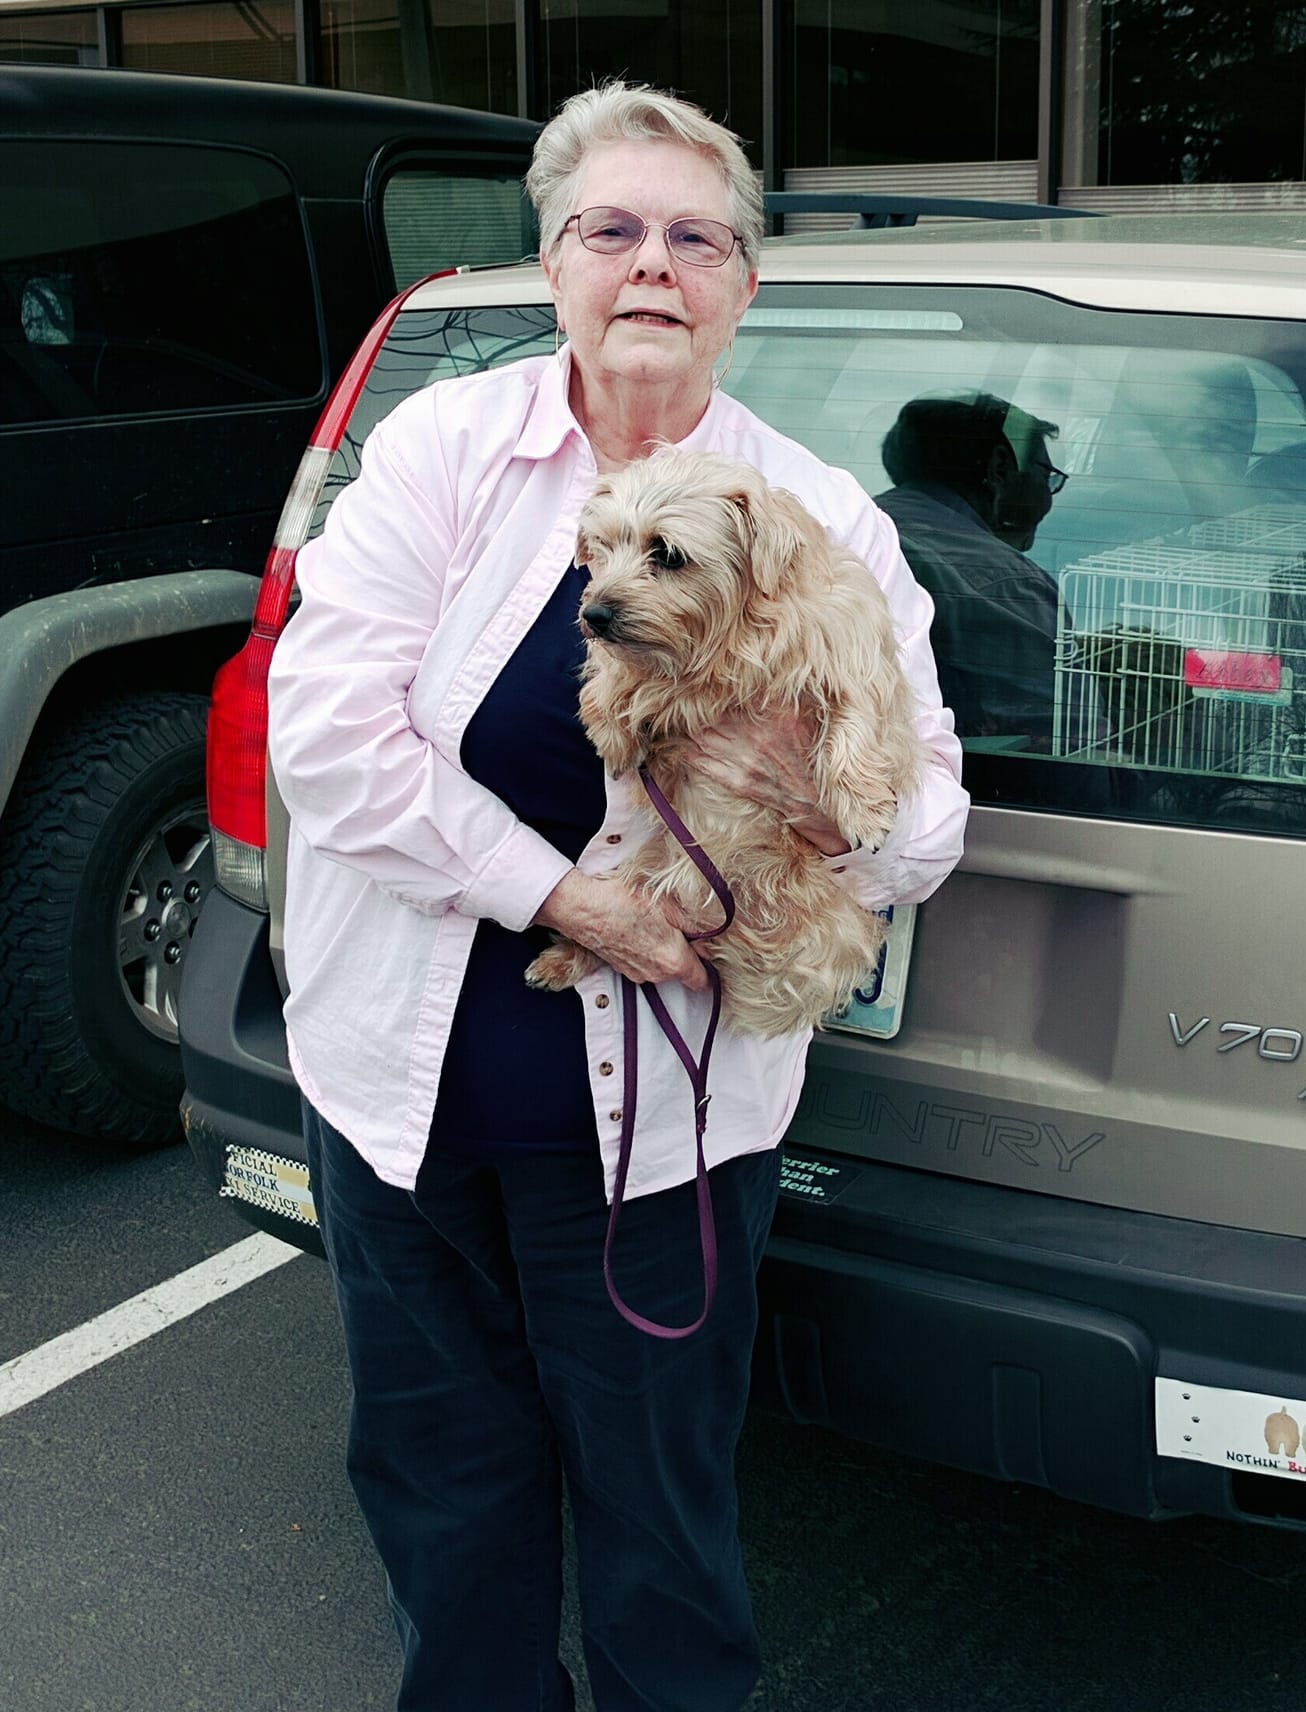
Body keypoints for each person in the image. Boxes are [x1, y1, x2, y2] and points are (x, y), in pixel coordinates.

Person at [266, 82, 968, 1712]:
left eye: (695, 238)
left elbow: (925, 815)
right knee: (450, 1509)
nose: (652, 264)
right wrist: (566, 903)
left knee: (661, 1529)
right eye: (612, 230)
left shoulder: (817, 519)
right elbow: (327, 731)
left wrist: (810, 792)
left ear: (743, 284)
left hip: (664, 1134)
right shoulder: (446, 445)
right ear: (554, 261)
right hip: (403, 1107)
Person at [874, 392, 1067, 745]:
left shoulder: (835, 537)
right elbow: (1061, 761)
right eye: (1048, 476)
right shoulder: (1011, 586)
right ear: (999, 468)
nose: (1049, 496)